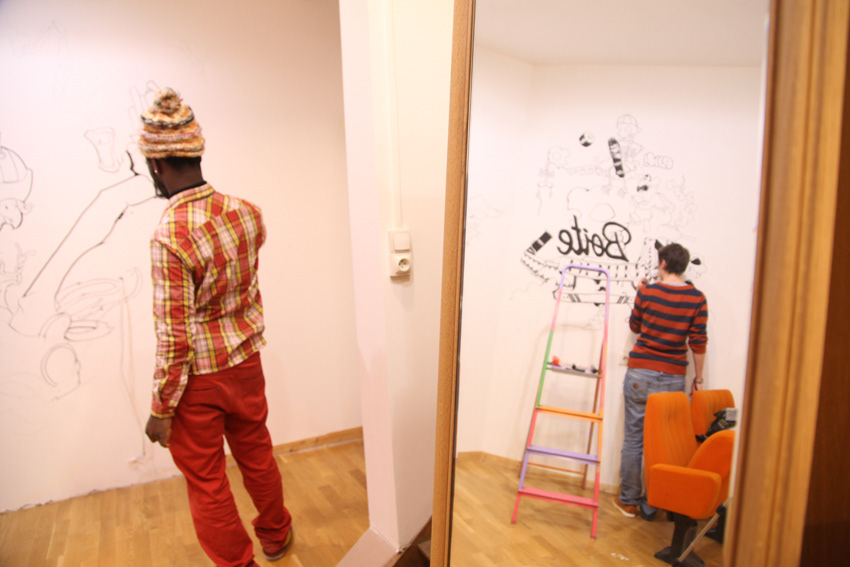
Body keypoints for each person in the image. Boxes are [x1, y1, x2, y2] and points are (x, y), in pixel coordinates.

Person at [139, 87, 293, 566]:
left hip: (198, 382)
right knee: (257, 453)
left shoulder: (169, 236)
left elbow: (174, 337)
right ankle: (276, 534)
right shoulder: (247, 213)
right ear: (197, 153)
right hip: (245, 363)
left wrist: (161, 408)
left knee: (207, 481)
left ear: (156, 165)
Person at [613, 242, 708, 520]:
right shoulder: (697, 298)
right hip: (672, 377)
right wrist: (698, 379)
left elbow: (635, 326)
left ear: (663, 263)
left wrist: (640, 293)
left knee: (634, 439)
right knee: (662, 443)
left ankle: (628, 501)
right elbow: (698, 343)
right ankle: (652, 504)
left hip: (640, 373)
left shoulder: (648, 292)